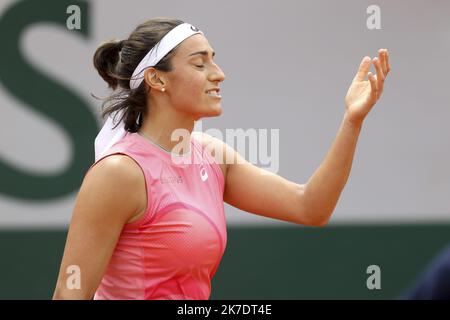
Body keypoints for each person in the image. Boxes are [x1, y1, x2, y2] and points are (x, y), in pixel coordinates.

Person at [52, 17, 391, 300]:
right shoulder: (119, 173)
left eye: (213, 59)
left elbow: (311, 207)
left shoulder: (212, 155)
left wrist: (352, 121)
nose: (218, 73)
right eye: (200, 63)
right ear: (156, 79)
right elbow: (70, 295)